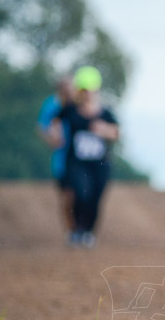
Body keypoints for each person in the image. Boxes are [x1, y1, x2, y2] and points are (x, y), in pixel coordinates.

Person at [46, 66, 120, 249]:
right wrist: (55, 134)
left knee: (95, 198)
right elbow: (54, 120)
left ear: (96, 91)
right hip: (77, 163)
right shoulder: (70, 110)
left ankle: (88, 232)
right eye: (83, 90)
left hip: (100, 165)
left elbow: (117, 132)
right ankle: (77, 230)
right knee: (80, 194)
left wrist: (104, 130)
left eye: (89, 91)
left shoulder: (105, 113)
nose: (86, 94)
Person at [37, 76, 75, 237]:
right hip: (61, 158)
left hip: (78, 158)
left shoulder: (77, 104)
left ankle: (79, 229)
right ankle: (70, 229)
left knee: (79, 194)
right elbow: (41, 126)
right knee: (66, 197)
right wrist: (51, 139)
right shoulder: (51, 105)